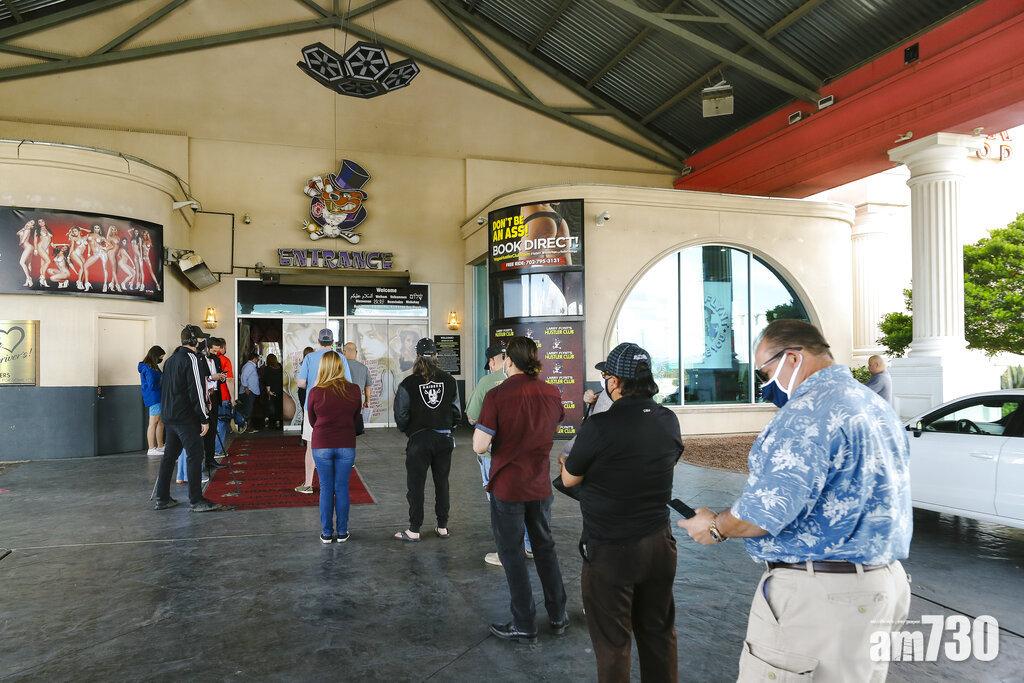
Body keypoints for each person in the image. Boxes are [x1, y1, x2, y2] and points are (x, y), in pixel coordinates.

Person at [678, 319, 912, 683]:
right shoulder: (872, 404)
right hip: (882, 586)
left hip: (821, 598)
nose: (764, 385)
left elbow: (763, 511)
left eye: (764, 372)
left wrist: (714, 526)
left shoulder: (807, 413)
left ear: (792, 358)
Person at [560, 343, 683, 681]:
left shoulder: (600, 426)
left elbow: (569, 478)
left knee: (613, 643)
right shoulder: (668, 420)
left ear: (614, 382)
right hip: (659, 544)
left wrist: (567, 462)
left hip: (611, 549)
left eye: (606, 377)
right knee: (659, 633)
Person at [472, 336, 568, 643]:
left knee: (511, 553)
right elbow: (554, 423)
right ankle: (558, 615)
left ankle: (524, 623)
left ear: (509, 362)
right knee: (545, 549)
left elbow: (479, 445)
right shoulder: (551, 392)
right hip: (539, 485)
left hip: (508, 486)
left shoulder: (497, 395)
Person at [465, 343, 532, 567]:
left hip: (495, 455)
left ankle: (507, 552)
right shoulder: (537, 385)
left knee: (500, 503)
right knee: (527, 499)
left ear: (495, 361)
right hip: (528, 456)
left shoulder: (488, 383)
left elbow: (472, 416)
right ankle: (530, 545)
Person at [153, 325, 229, 512]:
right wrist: (204, 417)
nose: (202, 342)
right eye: (200, 339)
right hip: (185, 417)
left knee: (169, 457)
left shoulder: (170, 360)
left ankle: (162, 498)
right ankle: (196, 500)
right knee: (195, 455)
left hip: (169, 415)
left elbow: (165, 387)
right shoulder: (191, 358)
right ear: (194, 340)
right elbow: (196, 389)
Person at [392, 338, 461, 542]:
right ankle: (442, 527)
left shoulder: (408, 383)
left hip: (419, 440)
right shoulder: (450, 380)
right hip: (443, 438)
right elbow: (456, 411)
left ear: (417, 356)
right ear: (436, 356)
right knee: (442, 483)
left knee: (416, 485)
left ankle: (414, 530)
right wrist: (449, 428)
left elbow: (401, 414)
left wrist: (409, 430)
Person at [306, 351, 362, 544]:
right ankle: (343, 532)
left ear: (322, 368)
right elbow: (356, 417)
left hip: (322, 444)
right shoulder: (354, 390)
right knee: (342, 488)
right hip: (346, 443)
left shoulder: (315, 392)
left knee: (326, 488)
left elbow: (312, 420)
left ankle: (327, 533)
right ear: (340, 367)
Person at [295, 330, 350, 494]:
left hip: (313, 407)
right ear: (332, 342)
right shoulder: (340, 358)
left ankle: (308, 484)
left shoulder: (309, 358)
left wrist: (313, 384)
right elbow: (348, 383)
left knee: (311, 446)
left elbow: (301, 383)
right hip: (336, 408)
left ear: (318, 341)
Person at [200, 338, 228, 475]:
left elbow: (219, 376)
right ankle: (202, 461)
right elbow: (200, 379)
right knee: (205, 429)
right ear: (207, 348)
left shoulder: (216, 359)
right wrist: (212, 377)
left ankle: (210, 459)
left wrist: (222, 377)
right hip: (205, 396)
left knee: (213, 428)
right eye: (214, 350)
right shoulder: (199, 360)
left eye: (218, 351)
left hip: (215, 395)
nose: (216, 353)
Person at [138, 345, 165, 457]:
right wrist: (162, 382)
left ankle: (160, 446)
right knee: (153, 422)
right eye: (161, 357)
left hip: (158, 396)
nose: (161, 359)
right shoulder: (148, 368)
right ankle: (151, 448)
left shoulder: (153, 366)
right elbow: (152, 384)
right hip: (154, 397)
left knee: (160, 422)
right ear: (155, 356)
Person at [211, 338, 234, 457]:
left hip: (210, 397)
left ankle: (210, 450)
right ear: (222, 347)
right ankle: (218, 450)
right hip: (223, 396)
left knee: (212, 423)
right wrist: (233, 397)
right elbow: (229, 380)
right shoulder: (225, 360)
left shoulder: (207, 359)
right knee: (222, 422)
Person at [341, 342, 372, 417]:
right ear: (356, 352)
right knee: (356, 419)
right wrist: (367, 401)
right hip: (357, 401)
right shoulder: (364, 368)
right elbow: (368, 387)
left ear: (344, 352)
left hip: (341, 400)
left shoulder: (338, 366)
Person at [237, 350, 261, 432]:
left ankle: (247, 426)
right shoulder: (249, 366)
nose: (258, 360)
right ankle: (246, 427)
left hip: (251, 390)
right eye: (257, 359)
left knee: (249, 409)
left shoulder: (250, 366)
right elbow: (243, 377)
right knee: (248, 409)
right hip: (249, 391)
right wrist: (246, 388)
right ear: (254, 359)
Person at [261, 353, 284, 429]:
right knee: (278, 405)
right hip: (279, 389)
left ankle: (266, 420)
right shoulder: (280, 367)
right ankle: (277, 421)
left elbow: (267, 380)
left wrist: (268, 391)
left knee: (267, 405)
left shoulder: (267, 369)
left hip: (270, 389)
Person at [297, 346, 314, 412]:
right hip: (311, 389)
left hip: (302, 391)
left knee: (304, 410)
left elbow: (298, 381)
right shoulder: (315, 365)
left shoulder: (300, 365)